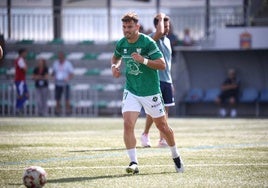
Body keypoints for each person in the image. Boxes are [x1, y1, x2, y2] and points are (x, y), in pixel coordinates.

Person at [111, 12, 184, 174]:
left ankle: (176, 155)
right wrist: (114, 67)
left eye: (129, 27)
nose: (126, 30)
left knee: (162, 126)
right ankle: (133, 162)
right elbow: (116, 58)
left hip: (150, 91)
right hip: (131, 90)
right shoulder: (121, 43)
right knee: (128, 124)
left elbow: (162, 64)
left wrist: (143, 60)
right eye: (124, 27)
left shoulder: (148, 42)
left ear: (137, 27)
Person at [141, 13, 175, 148]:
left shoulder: (167, 40)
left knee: (165, 111)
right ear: (157, 25)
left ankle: (162, 139)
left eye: (168, 26)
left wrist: (171, 82)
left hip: (167, 80)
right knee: (154, 111)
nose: (167, 29)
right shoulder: (152, 38)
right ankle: (145, 134)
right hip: (155, 80)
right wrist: (161, 17)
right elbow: (160, 32)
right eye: (165, 26)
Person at [14, 48, 29, 115]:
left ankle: (18, 108)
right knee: (22, 95)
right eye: (25, 53)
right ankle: (18, 108)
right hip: (20, 81)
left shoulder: (20, 60)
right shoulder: (20, 60)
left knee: (26, 95)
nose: (26, 54)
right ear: (22, 53)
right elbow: (25, 69)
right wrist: (25, 65)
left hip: (21, 80)